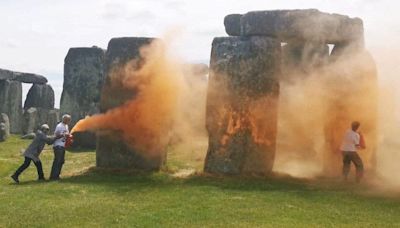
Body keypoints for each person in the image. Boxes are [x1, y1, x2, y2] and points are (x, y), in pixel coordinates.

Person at [50, 114, 71, 181]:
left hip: (63, 145)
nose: (69, 121)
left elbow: (67, 134)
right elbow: (56, 135)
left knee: (61, 161)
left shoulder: (66, 126)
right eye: (68, 120)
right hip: (58, 145)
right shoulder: (59, 126)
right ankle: (53, 176)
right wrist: (63, 135)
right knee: (57, 161)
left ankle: (57, 175)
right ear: (64, 119)